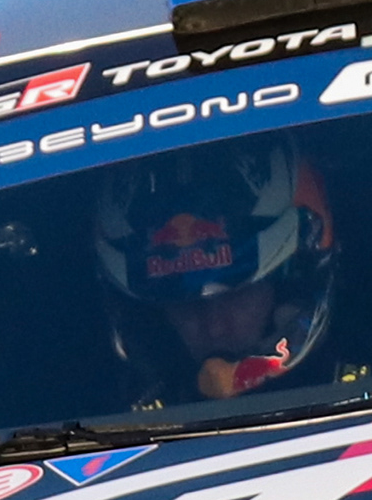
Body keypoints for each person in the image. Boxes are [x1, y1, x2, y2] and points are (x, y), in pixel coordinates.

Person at [94, 142, 344, 403]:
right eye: (185, 304)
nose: (214, 328)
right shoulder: (108, 418)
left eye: (236, 295)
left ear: (290, 283)